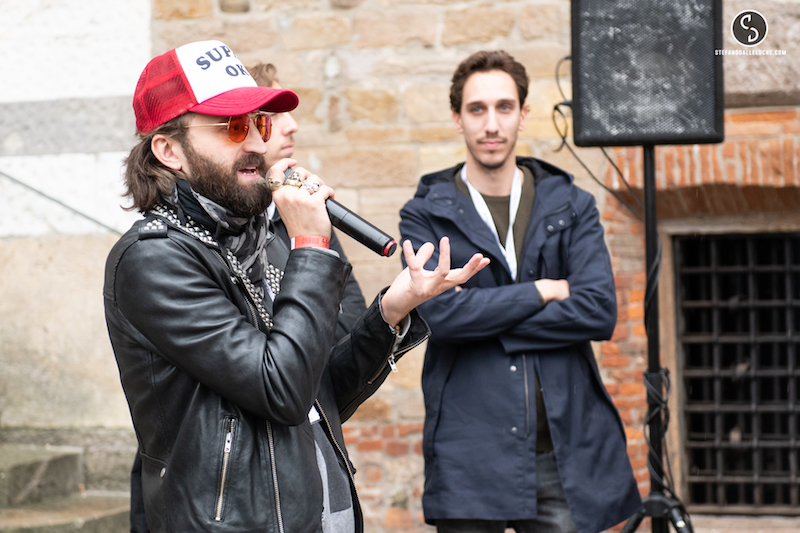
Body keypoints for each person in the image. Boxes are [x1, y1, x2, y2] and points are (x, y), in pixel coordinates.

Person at [105, 40, 488, 533]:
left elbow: (317, 394)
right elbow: (281, 390)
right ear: (169, 150)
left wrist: (391, 311)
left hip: (317, 515)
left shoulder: (260, 240)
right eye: (234, 126)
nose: (256, 143)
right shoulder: (153, 259)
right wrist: (310, 242)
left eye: (259, 124)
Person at [398, 50, 642, 533]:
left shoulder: (572, 204)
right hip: (469, 454)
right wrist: (543, 291)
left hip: (559, 454)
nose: (491, 124)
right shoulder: (424, 214)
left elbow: (597, 310)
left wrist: (484, 318)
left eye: (504, 107)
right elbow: (441, 317)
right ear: (457, 118)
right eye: (477, 109)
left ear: (523, 114)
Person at [247, 61, 367, 339]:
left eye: (288, 114)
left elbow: (352, 315)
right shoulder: (231, 225)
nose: (293, 125)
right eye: (272, 116)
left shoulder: (303, 205)